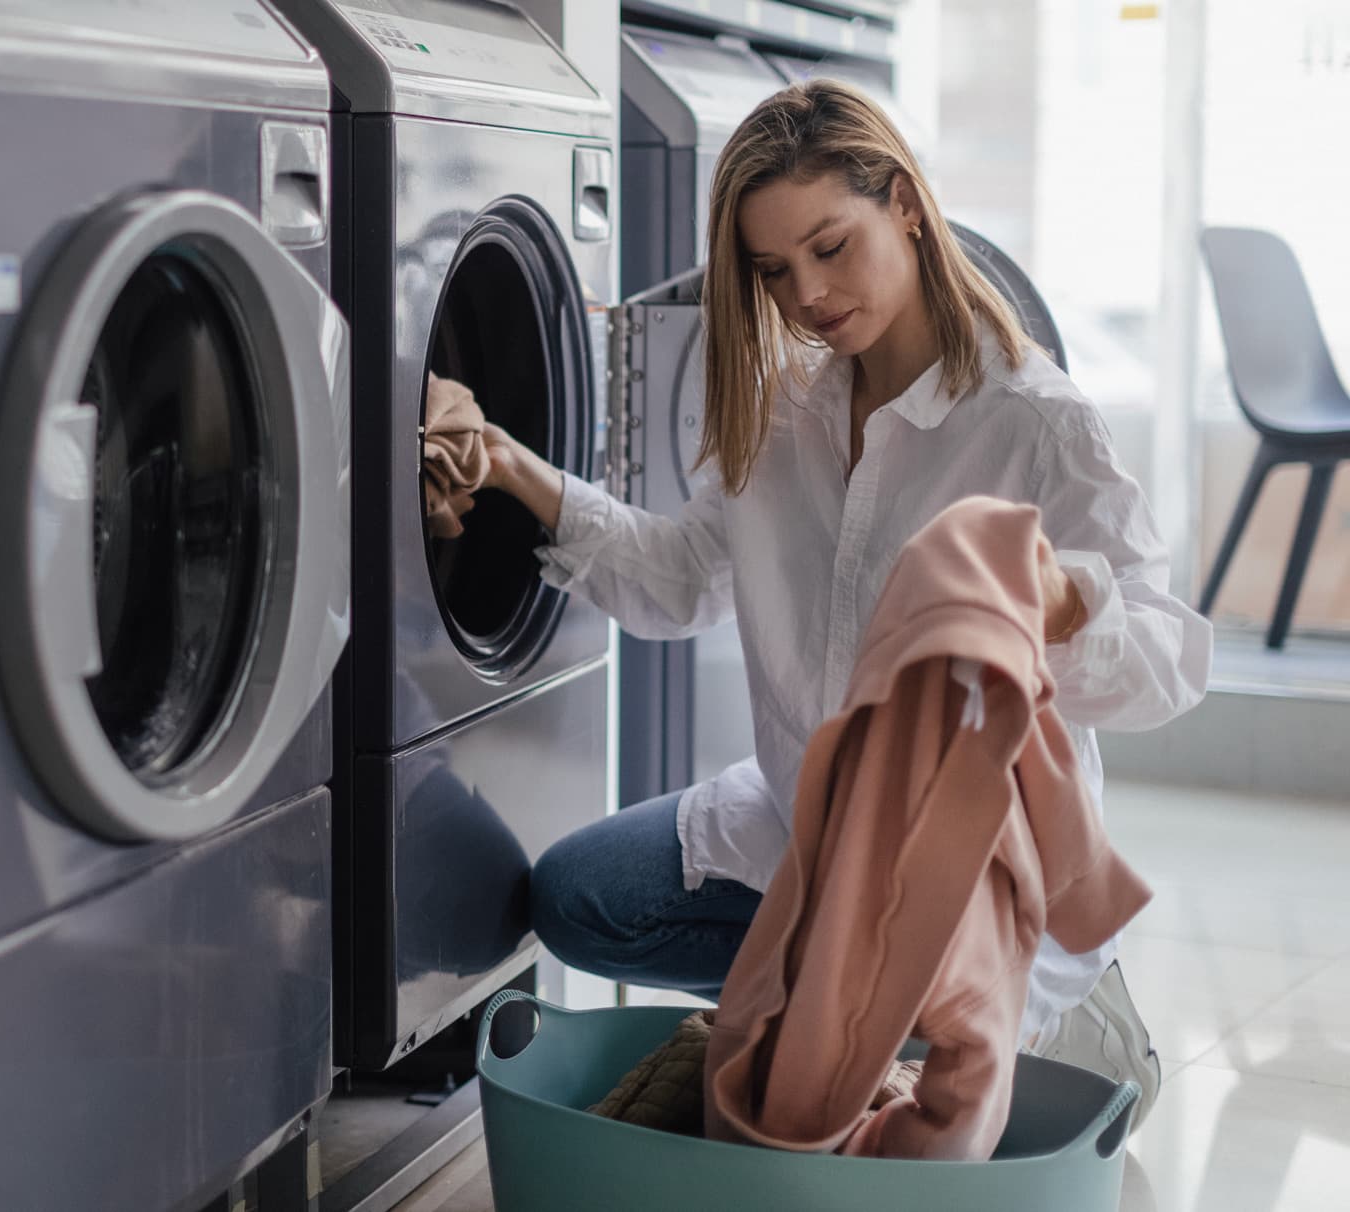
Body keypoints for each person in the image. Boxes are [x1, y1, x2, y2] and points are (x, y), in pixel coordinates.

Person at [451, 80, 1212, 1125]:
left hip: (965, 872)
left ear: (903, 202)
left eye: (830, 246)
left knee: (889, 1014)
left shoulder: (1034, 424)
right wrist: (507, 464)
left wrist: (1066, 603)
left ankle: (1060, 1028)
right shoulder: (782, 417)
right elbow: (679, 580)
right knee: (577, 899)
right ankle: (832, 1017)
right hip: (803, 819)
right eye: (773, 270)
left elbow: (1170, 662)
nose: (807, 294)